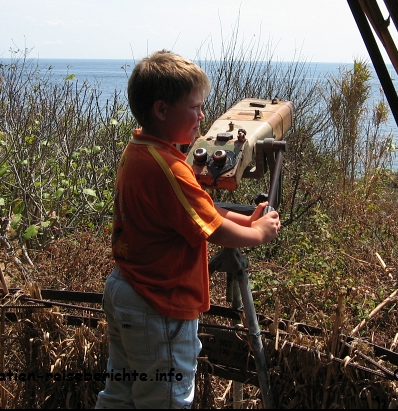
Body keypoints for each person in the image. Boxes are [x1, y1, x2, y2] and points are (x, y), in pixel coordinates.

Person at [95, 50, 281, 409]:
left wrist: (246, 218)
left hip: (127, 290)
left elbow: (194, 211)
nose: (203, 117)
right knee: (165, 401)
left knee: (119, 396)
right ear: (162, 110)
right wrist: (259, 233)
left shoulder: (141, 152)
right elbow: (214, 231)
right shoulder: (170, 169)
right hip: (157, 304)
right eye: (194, 108)